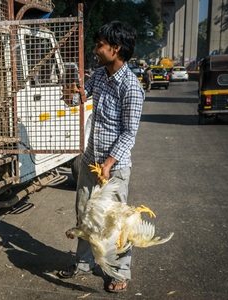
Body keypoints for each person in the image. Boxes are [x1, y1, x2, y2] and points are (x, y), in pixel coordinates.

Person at [58, 21, 145, 293]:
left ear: (115, 48)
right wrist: (70, 96)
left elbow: (129, 134)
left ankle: (120, 272)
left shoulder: (130, 86)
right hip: (89, 161)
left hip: (114, 168)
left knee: (115, 222)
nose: (95, 50)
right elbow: (82, 97)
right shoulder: (99, 74)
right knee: (85, 214)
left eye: (99, 45)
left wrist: (108, 164)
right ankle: (84, 263)